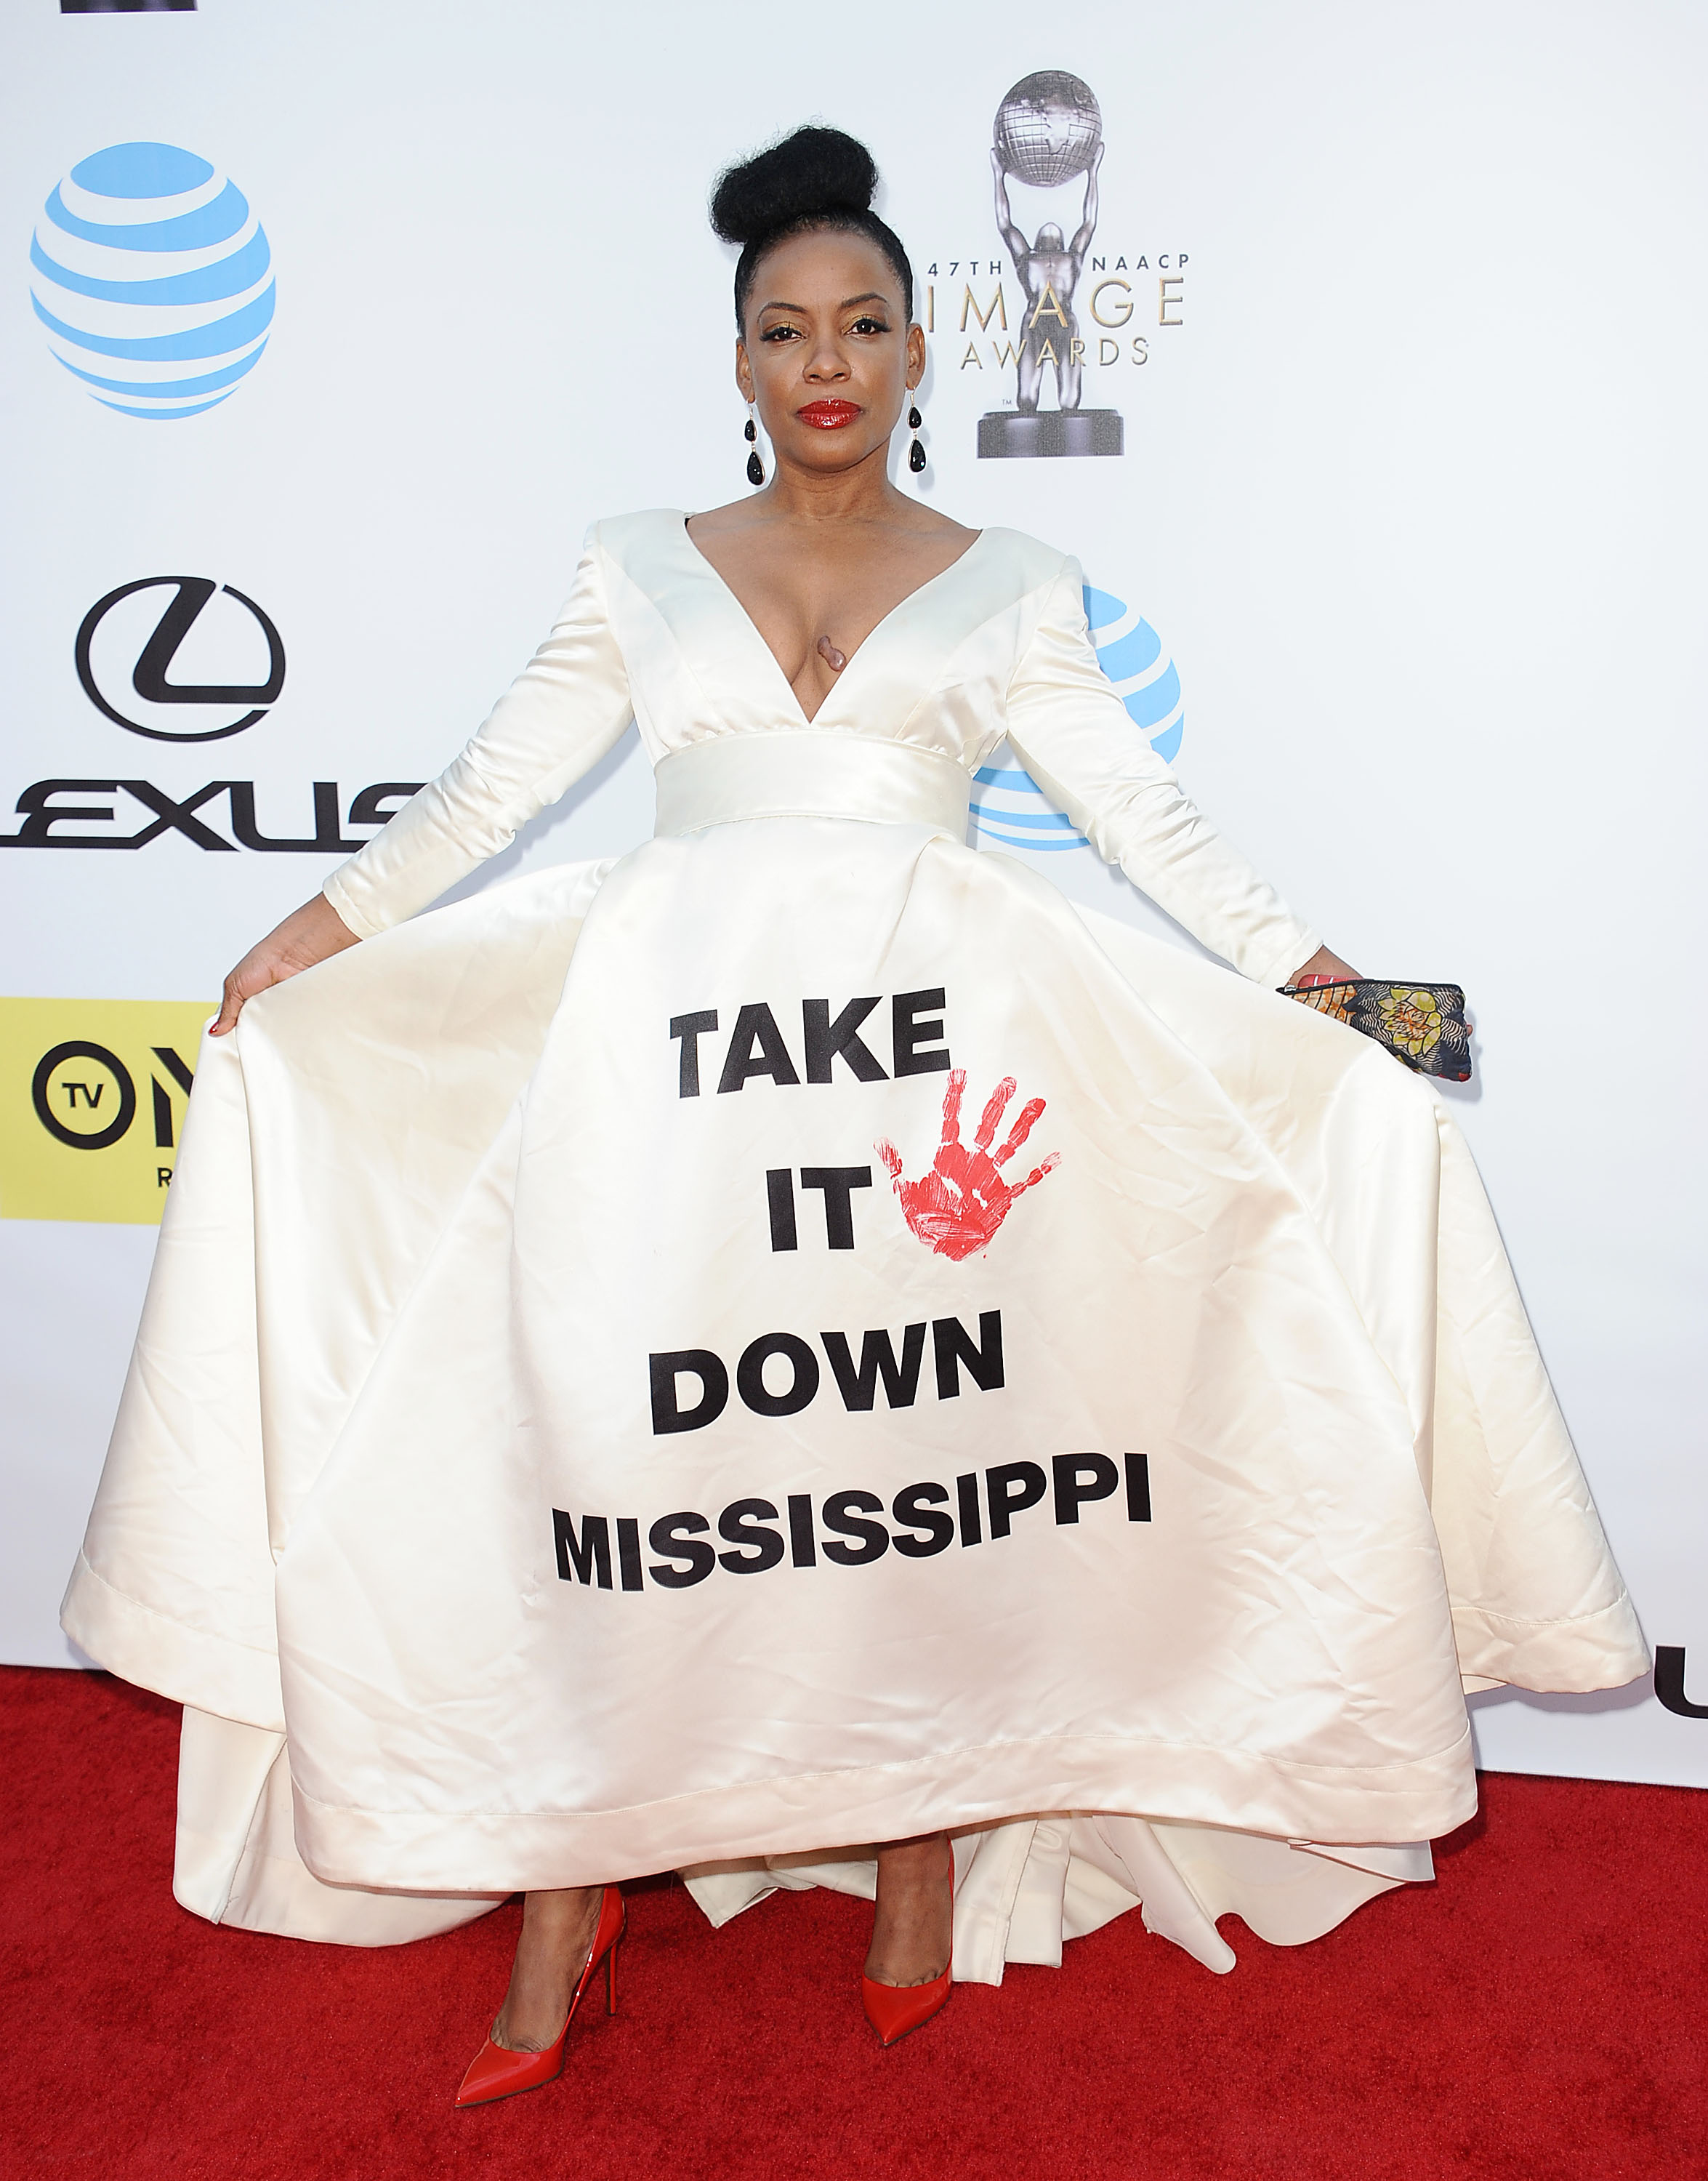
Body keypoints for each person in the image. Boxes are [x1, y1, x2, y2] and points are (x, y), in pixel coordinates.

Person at [63, 126, 1647, 2105]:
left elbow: (1144, 825)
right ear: (736, 361)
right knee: (643, 1473)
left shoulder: (1015, 583)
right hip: (671, 1084)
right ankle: (575, 1887)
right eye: (785, 329)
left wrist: (1318, 983)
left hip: (924, 1082)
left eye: (865, 325)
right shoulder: (635, 565)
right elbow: (488, 793)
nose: (826, 360)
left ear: (919, 354)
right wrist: (318, 931)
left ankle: (921, 1851)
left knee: (911, 1450)